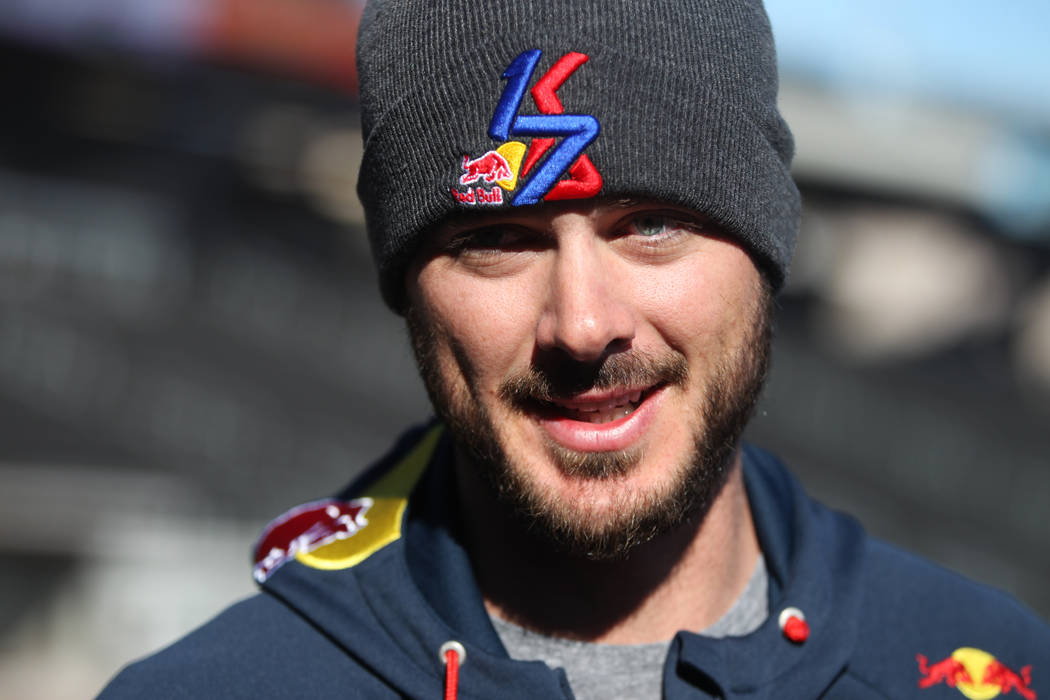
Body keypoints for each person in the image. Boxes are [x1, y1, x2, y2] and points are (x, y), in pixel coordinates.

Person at [99, 0, 1049, 698]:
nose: (584, 325)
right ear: (407, 286)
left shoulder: (986, 667)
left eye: (652, 224)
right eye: (500, 240)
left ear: (767, 249)